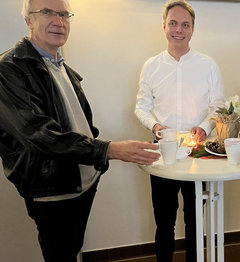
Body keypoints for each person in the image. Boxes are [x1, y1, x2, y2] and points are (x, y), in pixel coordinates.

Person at [0, 0, 160, 261]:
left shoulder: (62, 66)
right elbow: (39, 135)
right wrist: (109, 150)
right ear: (29, 20)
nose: (58, 21)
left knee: (71, 249)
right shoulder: (9, 69)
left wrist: (97, 162)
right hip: (51, 190)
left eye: (64, 14)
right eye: (48, 12)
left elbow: (81, 123)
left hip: (82, 182)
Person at [134, 0, 225, 261]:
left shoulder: (208, 64)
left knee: (195, 218)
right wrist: (155, 125)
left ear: (193, 29)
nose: (179, 29)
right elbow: (141, 107)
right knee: (164, 219)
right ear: (164, 26)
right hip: (164, 148)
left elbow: (218, 106)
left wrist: (205, 127)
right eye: (173, 23)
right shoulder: (151, 65)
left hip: (199, 148)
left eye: (185, 24)